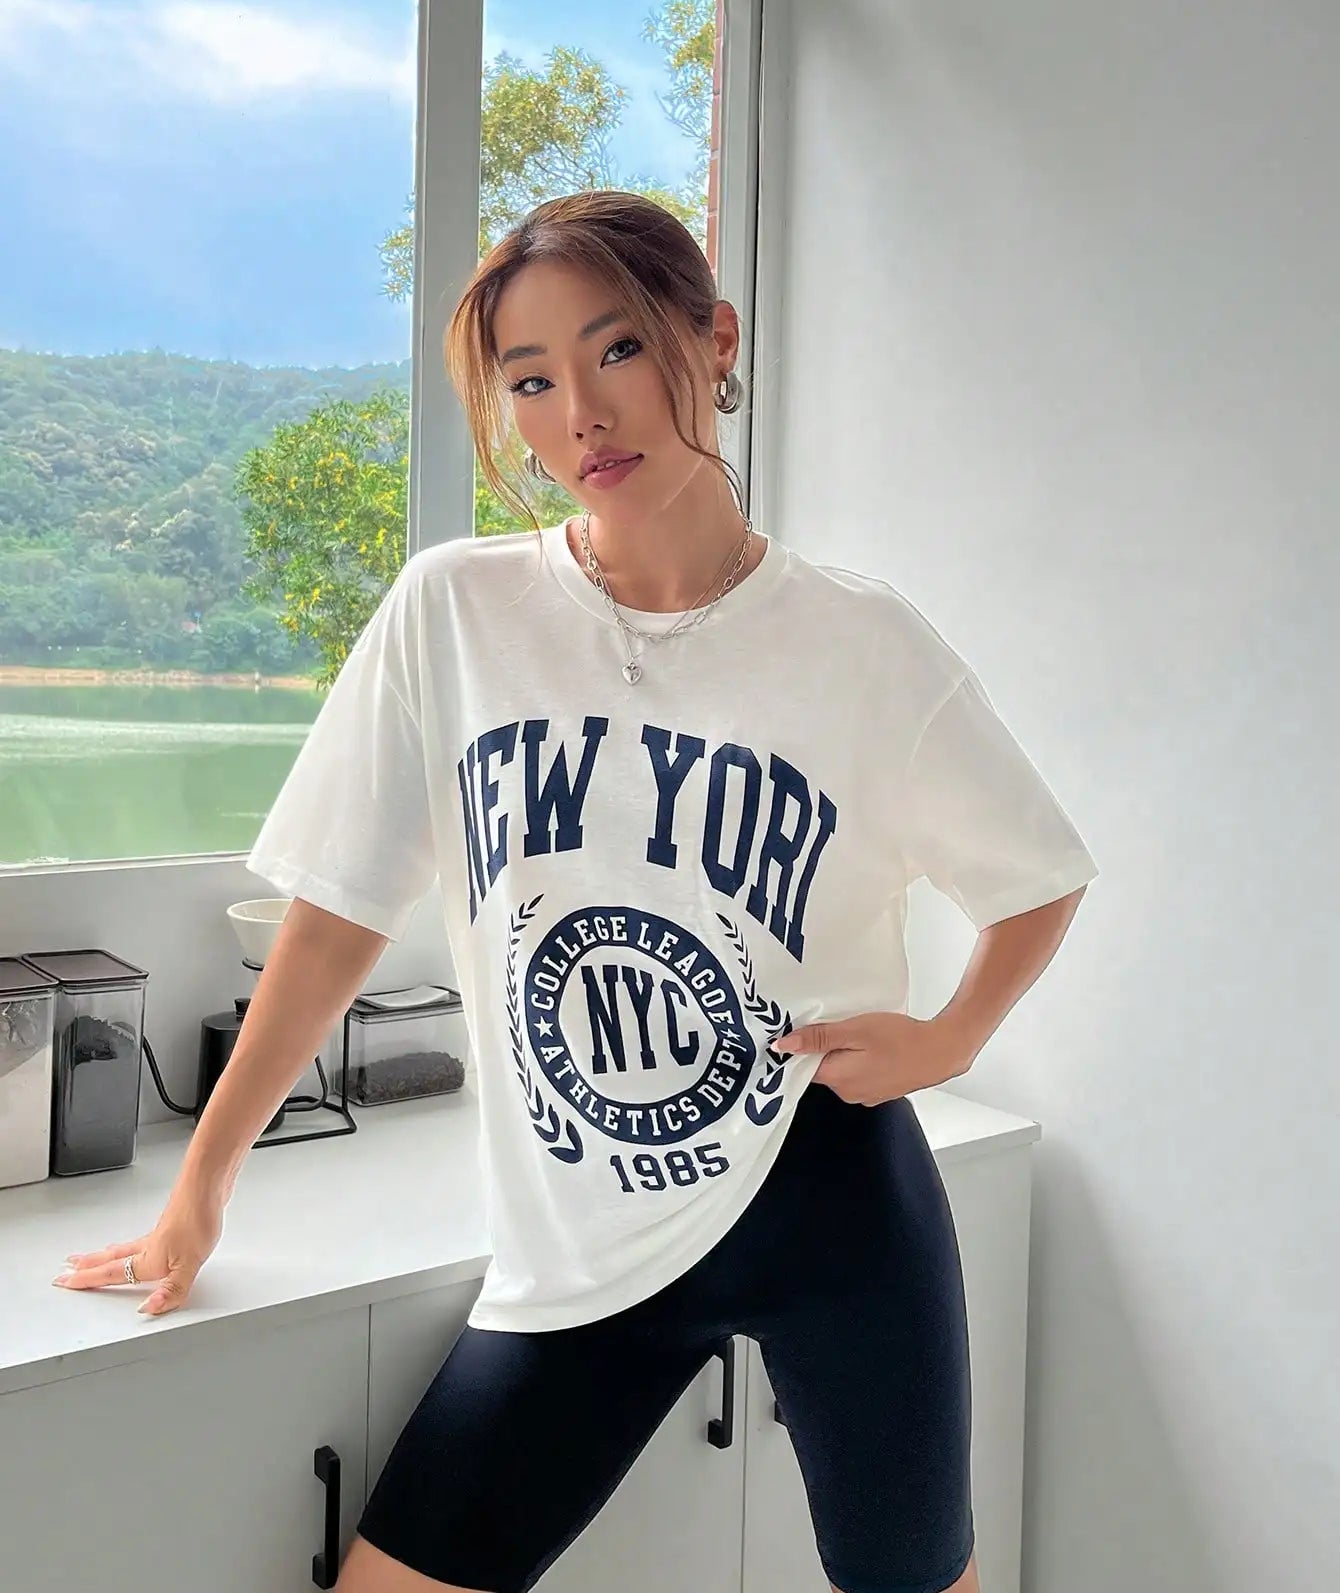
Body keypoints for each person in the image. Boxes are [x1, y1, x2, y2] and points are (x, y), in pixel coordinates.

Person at [56, 191, 1098, 1593]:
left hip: (831, 1196)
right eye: (531, 380)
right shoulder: (454, 613)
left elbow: (1038, 874)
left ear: (711, 340)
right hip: (581, 1244)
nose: (580, 415)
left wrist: (952, 1038)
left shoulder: (859, 641)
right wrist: (203, 1182)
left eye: (616, 350)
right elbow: (336, 917)